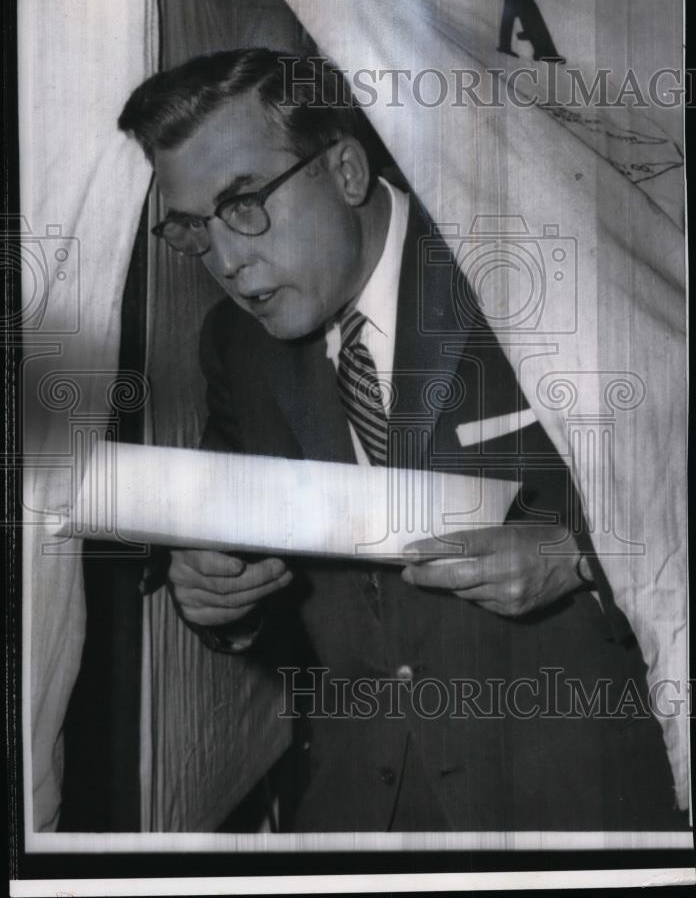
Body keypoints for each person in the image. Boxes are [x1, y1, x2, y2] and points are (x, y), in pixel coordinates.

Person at [118, 48, 680, 832]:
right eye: (192, 229)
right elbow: (275, 588)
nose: (226, 259)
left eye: (245, 203)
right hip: (359, 819)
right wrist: (218, 597)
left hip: (579, 804)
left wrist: (581, 559)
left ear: (346, 171)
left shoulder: (535, 270)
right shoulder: (234, 349)